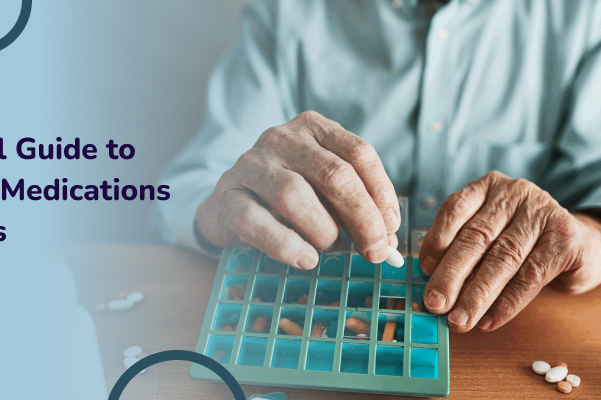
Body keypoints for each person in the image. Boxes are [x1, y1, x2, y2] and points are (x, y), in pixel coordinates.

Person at [155, 0, 601, 333]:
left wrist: (587, 234)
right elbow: (188, 187)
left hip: (508, 338)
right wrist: (225, 209)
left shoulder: (583, 17)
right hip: (316, 315)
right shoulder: (288, 11)